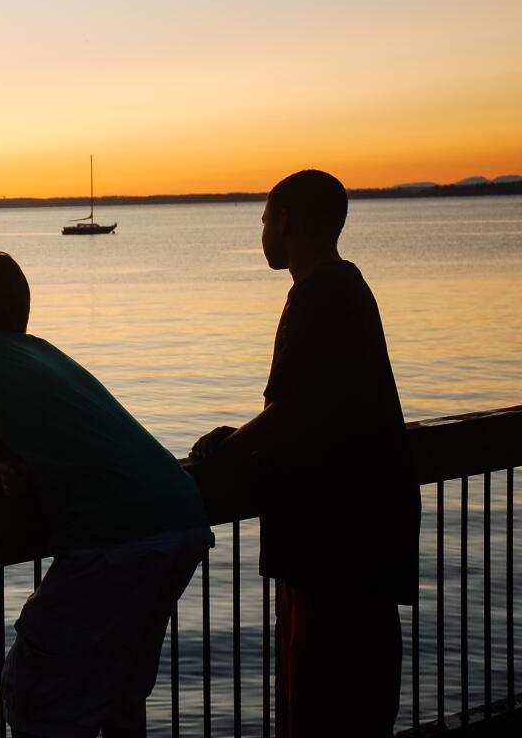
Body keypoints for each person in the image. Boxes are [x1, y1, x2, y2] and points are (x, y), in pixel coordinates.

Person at [0, 252, 211, 738]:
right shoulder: (42, 350)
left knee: (40, 693)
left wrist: (5, 473)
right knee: (121, 689)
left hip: (114, 533)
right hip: (181, 512)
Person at [190, 170, 420, 738]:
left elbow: (296, 409)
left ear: (287, 220)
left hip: (330, 541)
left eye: (266, 217)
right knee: (362, 695)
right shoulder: (349, 287)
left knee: (321, 696)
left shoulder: (317, 295)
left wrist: (227, 448)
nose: (263, 230)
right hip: (367, 530)